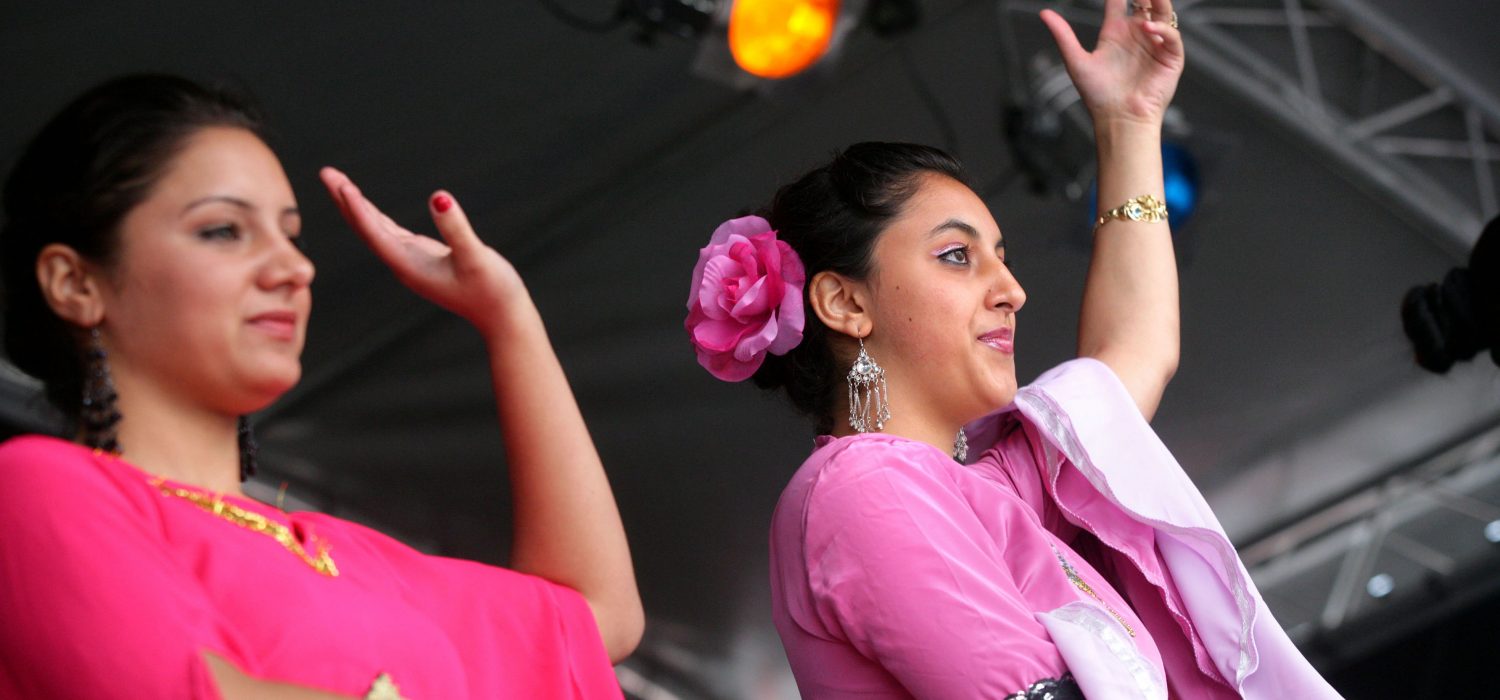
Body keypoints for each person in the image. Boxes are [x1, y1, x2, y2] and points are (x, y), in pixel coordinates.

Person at [684, 1, 1341, 698]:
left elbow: (1132, 354)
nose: (1012, 291)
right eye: (957, 255)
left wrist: (1128, 125)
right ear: (845, 302)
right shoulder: (864, 488)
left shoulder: (987, 492)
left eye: (1002, 257)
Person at [0, 74, 642, 698]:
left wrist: (508, 318)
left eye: (292, 235)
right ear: (75, 283)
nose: (294, 266)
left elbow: (592, 614)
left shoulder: (347, 558)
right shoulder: (36, 490)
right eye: (224, 230)